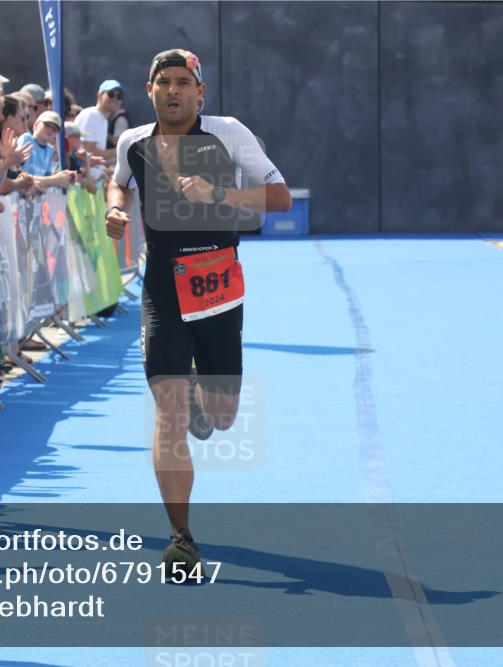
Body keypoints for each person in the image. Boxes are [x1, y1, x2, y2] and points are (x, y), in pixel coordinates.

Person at [105, 49, 291, 574]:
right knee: (170, 416)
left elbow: (280, 199)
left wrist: (220, 192)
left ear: (200, 92)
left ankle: (199, 389)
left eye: (183, 82)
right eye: (163, 81)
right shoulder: (132, 140)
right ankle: (181, 536)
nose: (173, 90)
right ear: (150, 90)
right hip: (163, 280)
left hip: (217, 281)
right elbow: (119, 179)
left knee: (224, 417)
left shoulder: (229, 133)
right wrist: (115, 207)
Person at [17, 110, 76, 190]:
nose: (50, 130)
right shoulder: (27, 138)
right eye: (47, 125)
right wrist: (56, 180)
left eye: (54, 129)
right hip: (18, 190)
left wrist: (62, 176)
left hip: (33, 194)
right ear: (36, 125)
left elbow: (47, 177)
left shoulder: (50, 149)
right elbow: (18, 172)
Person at [74, 79, 122, 161]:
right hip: (86, 172)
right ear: (99, 95)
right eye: (111, 94)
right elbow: (89, 151)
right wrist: (121, 149)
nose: (115, 99)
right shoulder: (92, 115)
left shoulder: (102, 119)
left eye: (119, 96)